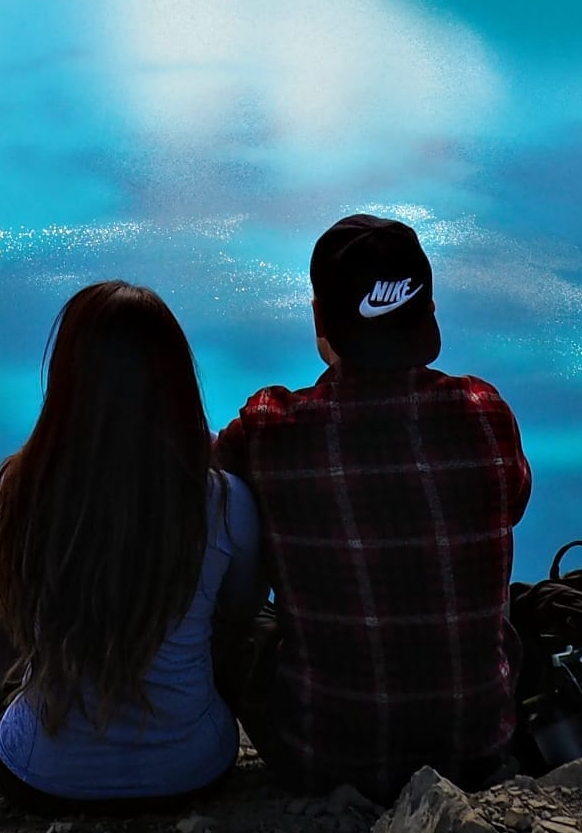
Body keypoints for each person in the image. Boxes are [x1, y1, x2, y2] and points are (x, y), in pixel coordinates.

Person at [213, 214, 531, 800]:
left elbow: (211, 493)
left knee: (243, 622)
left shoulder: (268, 430)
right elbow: (512, 503)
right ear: (429, 313)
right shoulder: (485, 413)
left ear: (319, 319)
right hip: (476, 747)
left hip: (324, 756)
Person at [0, 281, 265, 813]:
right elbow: (240, 613)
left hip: (41, 777)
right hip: (191, 771)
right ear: (175, 383)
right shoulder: (225, 503)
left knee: (4, 606)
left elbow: (12, 614)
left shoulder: (25, 487)